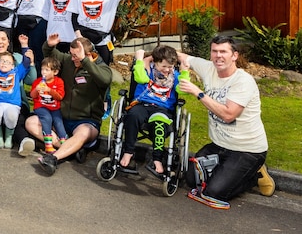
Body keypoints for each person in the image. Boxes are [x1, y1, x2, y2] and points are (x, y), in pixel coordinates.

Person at [178, 38, 273, 206]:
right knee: (192, 180)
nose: (218, 56)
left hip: (247, 150)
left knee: (213, 192)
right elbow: (180, 56)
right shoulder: (209, 68)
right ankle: (229, 170)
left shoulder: (243, 81)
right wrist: (146, 59)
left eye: (223, 52)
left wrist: (198, 92)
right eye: (214, 51)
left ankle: (254, 174)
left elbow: (229, 115)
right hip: (220, 145)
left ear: (234, 55)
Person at [26, 33, 112, 176]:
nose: (72, 58)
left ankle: (53, 158)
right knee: (31, 122)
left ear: (88, 54)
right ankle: (72, 149)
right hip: (61, 117)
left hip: (87, 121)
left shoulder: (102, 68)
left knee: (84, 132)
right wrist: (50, 44)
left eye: (76, 56)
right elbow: (50, 54)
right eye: (71, 54)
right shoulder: (68, 61)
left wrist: (85, 61)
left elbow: (104, 80)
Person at [119, 46, 189, 176]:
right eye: (164, 66)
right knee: (133, 115)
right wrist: (140, 59)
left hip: (163, 108)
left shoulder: (175, 75)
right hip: (142, 104)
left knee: (159, 124)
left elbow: (183, 90)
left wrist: (184, 71)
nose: (167, 70)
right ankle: (128, 152)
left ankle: (157, 159)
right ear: (155, 62)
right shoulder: (147, 69)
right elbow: (140, 79)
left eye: (170, 66)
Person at [30, 56, 67, 153]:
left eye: (47, 70)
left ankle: (64, 141)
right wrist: (36, 89)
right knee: (47, 118)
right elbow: (32, 96)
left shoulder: (59, 82)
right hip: (41, 106)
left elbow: (60, 97)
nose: (43, 72)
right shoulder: (38, 82)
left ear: (55, 72)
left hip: (54, 107)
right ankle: (48, 145)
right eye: (42, 69)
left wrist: (49, 90)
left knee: (58, 121)